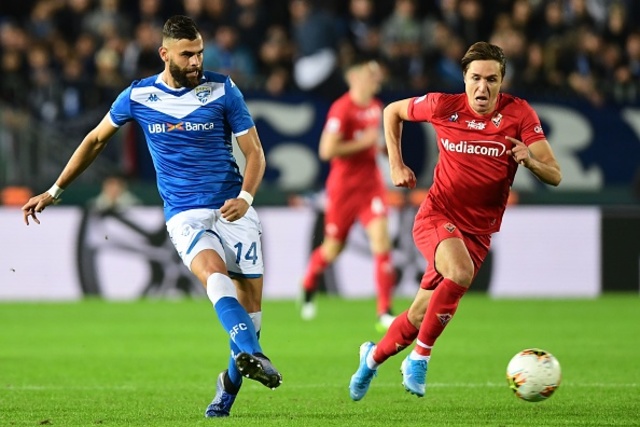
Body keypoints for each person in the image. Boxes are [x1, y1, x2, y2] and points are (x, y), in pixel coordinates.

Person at [21, 15, 282, 418]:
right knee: (214, 276)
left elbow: (255, 153)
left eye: (199, 53)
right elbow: (94, 141)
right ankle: (254, 355)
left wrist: (246, 197)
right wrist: (55, 191)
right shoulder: (138, 96)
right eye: (187, 55)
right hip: (185, 215)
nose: (197, 61)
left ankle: (229, 382)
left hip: (234, 208)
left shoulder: (223, 90)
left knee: (251, 316)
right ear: (165, 54)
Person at [348, 41, 562, 401]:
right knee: (459, 273)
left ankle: (371, 358)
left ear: (501, 81)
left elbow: (555, 175)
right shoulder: (443, 105)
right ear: (464, 78)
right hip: (437, 215)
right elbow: (391, 112)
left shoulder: (519, 114)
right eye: (476, 77)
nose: (483, 87)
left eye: (492, 79)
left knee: (417, 316)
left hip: (478, 233)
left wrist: (530, 160)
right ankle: (419, 358)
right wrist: (395, 164)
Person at [300, 56, 397, 331]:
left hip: (371, 186)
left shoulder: (377, 108)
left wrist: (381, 151)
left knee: (382, 240)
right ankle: (308, 283)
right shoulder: (341, 109)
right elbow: (327, 150)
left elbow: (373, 145)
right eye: (370, 74)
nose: (375, 79)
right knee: (333, 248)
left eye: (377, 75)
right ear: (354, 78)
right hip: (343, 189)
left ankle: (384, 311)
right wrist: (361, 143)